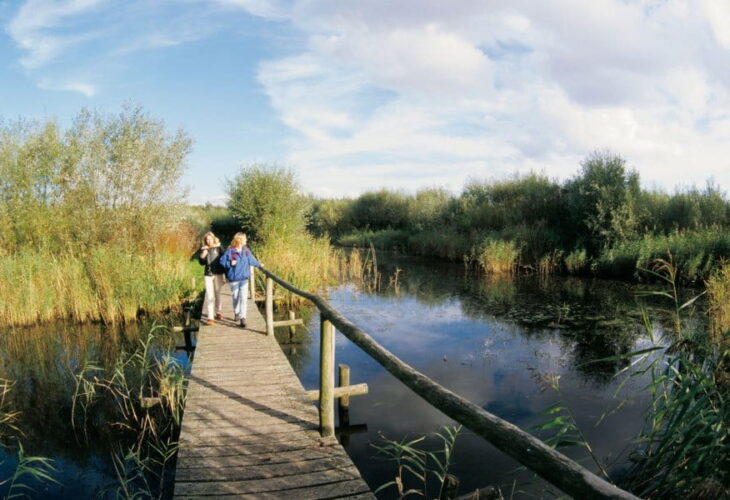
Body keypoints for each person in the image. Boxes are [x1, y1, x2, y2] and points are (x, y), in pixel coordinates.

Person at [219, 232, 263, 328]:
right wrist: (230, 263)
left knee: (243, 298)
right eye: (245, 239)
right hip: (234, 279)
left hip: (244, 279)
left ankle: (243, 318)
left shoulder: (246, 251)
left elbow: (251, 260)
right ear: (239, 240)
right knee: (235, 297)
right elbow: (222, 261)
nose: (246, 240)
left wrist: (259, 265)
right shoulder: (230, 251)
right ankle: (237, 312)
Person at [198, 232, 225, 325]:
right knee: (210, 295)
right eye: (207, 240)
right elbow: (201, 263)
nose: (209, 241)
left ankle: (218, 312)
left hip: (218, 273)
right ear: (205, 241)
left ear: (213, 239)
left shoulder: (219, 247)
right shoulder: (203, 249)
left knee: (218, 294)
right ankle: (210, 317)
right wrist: (203, 256)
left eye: (210, 239)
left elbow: (225, 257)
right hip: (208, 274)